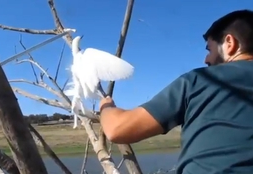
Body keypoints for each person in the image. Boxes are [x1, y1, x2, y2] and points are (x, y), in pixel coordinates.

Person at [99, 9, 253, 174]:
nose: (206, 59)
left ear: (230, 43)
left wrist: (106, 107)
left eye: (210, 50)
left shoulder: (201, 80)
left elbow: (118, 129)